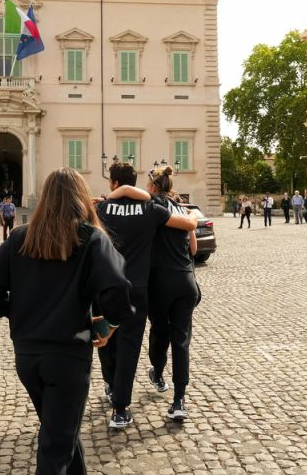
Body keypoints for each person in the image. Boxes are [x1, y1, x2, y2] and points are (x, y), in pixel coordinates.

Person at [0, 168, 133, 473]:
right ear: (80, 198)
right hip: (68, 356)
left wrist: (16, 310)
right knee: (55, 448)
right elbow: (118, 289)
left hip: (28, 357)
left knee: (61, 434)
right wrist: (111, 324)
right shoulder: (91, 238)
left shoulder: (22, 235)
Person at [94, 162, 196, 429]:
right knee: (130, 345)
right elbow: (186, 224)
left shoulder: (102, 208)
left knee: (106, 339)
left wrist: (106, 199)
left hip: (106, 285)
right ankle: (120, 409)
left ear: (113, 183)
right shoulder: (150, 208)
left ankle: (111, 385)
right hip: (137, 287)